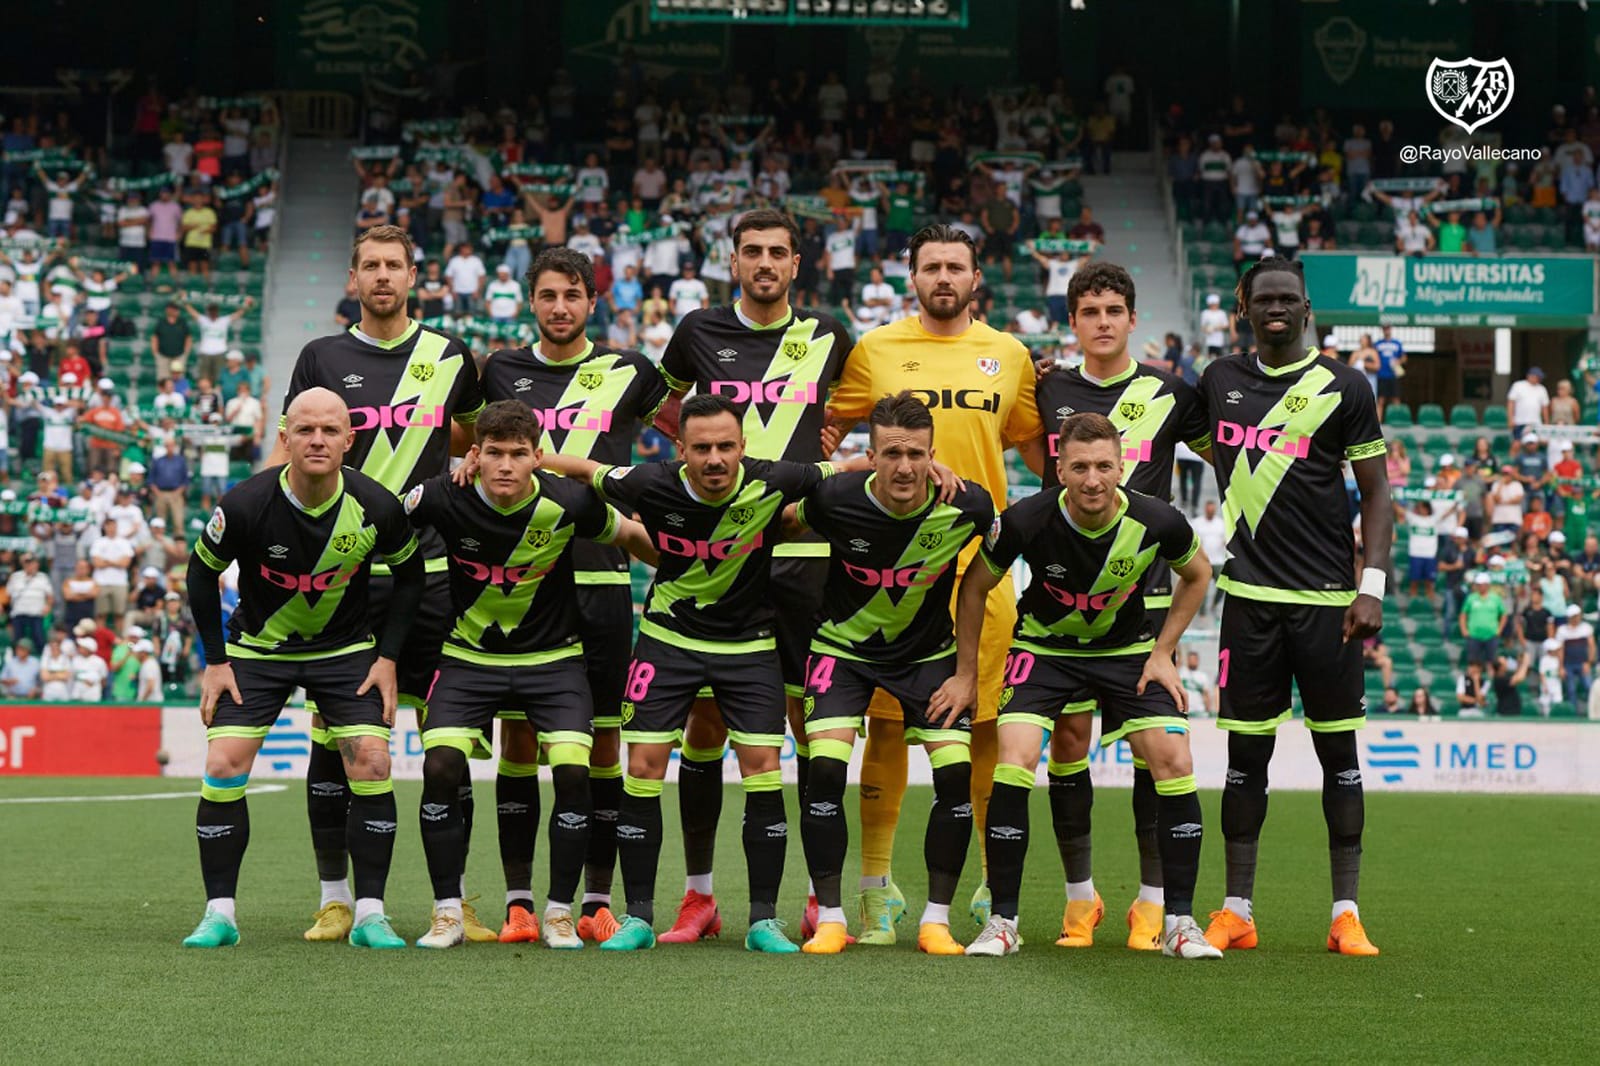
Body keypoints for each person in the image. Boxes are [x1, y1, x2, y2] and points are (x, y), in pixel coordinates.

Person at [542, 393, 849, 954]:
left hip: (749, 645)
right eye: (701, 448)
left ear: (743, 448)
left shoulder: (777, 478)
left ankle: (762, 921)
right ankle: (638, 917)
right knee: (643, 767)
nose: (714, 459)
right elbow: (585, 469)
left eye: (725, 447)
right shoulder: (648, 483)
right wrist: (523, 459)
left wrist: (917, 465)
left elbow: (849, 467)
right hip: (667, 641)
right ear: (679, 449)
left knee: (762, 770)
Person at [822, 222, 1048, 939]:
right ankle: (875, 888)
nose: (943, 277)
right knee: (886, 732)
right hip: (889, 568)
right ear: (911, 277)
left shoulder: (1009, 355)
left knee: (982, 724)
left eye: (956, 266)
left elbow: (1043, 455)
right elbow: (825, 431)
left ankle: (984, 886)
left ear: (975, 278)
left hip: (982, 564)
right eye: (930, 267)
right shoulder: (876, 350)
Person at [271, 224, 487, 943]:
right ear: (352, 277)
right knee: (334, 744)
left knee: (446, 748)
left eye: (395, 265)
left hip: (430, 574)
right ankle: (338, 899)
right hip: (342, 581)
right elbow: (292, 449)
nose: (384, 277)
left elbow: (473, 438)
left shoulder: (449, 354)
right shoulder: (322, 356)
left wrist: (461, 468)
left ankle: (452, 905)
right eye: (371, 266)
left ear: (413, 275)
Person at [651, 208, 853, 943]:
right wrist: (685, 447)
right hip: (719, 557)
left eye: (777, 252)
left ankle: (814, 896)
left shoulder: (829, 334)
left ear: (797, 264)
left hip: (801, 556)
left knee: (806, 729)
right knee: (704, 727)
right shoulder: (699, 331)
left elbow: (860, 402)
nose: (764, 262)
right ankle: (699, 896)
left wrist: (834, 430)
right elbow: (655, 400)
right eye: (751, 252)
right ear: (731, 260)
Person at [957, 412, 1218, 959]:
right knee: (1016, 757)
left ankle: (1180, 923)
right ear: (1060, 469)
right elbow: (975, 588)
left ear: (1122, 467)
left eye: (1104, 466)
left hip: (1126, 653)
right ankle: (1003, 921)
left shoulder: (1158, 520)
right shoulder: (1026, 519)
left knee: (1174, 758)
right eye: (1079, 467)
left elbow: (1198, 574)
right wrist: (964, 673)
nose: (1092, 479)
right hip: (1044, 651)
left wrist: (1164, 651)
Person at [474, 246, 672, 944]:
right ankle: (520, 903)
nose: (560, 306)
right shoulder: (498, 368)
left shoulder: (630, 372)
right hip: (522, 583)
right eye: (548, 294)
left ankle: (594, 902)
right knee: (521, 738)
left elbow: (691, 425)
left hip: (602, 579)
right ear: (531, 300)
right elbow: (468, 449)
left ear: (593, 302)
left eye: (573, 295)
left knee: (603, 745)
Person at [180, 387, 425, 949]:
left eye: (330, 431)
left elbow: (411, 578)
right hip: (258, 652)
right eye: (306, 430)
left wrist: (387, 658)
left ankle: (369, 914)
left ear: (349, 441)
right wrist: (216, 662)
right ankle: (220, 915)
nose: (318, 440)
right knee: (223, 762)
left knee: (371, 760)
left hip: (344, 654)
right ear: (285, 437)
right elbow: (199, 575)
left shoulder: (377, 505)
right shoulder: (244, 503)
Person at [403, 400, 651, 949]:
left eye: (519, 454)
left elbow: (633, 539)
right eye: (494, 453)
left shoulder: (570, 501)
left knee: (572, 771)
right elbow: (384, 526)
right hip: (467, 658)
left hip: (554, 661)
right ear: (476, 455)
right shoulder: (444, 495)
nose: (507, 466)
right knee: (440, 765)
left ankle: (560, 913)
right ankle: (447, 912)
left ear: (539, 457)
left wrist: (698, 562)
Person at [1198, 256, 1391, 957]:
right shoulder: (1219, 381)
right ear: (1242, 307)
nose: (1277, 308)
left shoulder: (1345, 386)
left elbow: (1375, 494)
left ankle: (1345, 915)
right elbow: (1169, 433)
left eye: (1289, 298)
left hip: (1330, 606)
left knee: (1339, 757)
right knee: (1244, 760)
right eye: (1263, 298)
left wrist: (1371, 586)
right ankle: (1237, 910)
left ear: (1306, 308)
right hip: (1248, 600)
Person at [1029, 260, 1212, 949]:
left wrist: (1166, 646)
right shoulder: (1049, 390)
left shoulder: (1173, 393)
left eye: (1113, 310)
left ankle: (1152, 902)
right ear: (1072, 321)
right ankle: (1081, 902)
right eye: (1089, 311)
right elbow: (1032, 459)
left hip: (1143, 605)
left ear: (1132, 318)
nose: (1102, 322)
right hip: (1064, 604)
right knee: (1068, 747)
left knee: (1152, 751)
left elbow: (1223, 455)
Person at [787, 392, 993, 956]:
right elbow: (779, 523)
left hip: (928, 658)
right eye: (892, 453)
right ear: (871, 455)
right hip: (841, 651)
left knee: (954, 778)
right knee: (824, 770)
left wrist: (968, 674)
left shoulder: (970, 508)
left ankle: (935, 922)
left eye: (917, 454)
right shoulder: (832, 498)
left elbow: (983, 579)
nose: (905, 467)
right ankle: (830, 918)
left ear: (934, 455)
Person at [1555, 604, 1595, 710]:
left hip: (1583, 663)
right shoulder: (1562, 630)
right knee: (1571, 689)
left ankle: (1592, 711)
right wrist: (1561, 667)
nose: (1576, 618)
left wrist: (1589, 662)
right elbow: (1560, 650)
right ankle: (1573, 712)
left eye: (1577, 615)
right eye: (1573, 616)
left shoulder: (1586, 628)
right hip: (1568, 664)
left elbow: (1591, 646)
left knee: (1589, 687)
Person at [1505, 366, 1550, 440]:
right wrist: (1510, 419)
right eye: (1537, 376)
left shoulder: (1542, 389)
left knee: (1534, 443)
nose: (1539, 379)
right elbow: (1511, 403)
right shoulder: (1518, 385)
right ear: (1529, 376)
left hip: (1536, 423)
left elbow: (1544, 407)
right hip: (1519, 422)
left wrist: (1546, 423)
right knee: (1517, 442)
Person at [1373, 325, 1405, 420]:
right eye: (1384, 328)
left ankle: (1397, 419)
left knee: (1396, 399)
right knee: (1381, 400)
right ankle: (1379, 422)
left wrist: (1398, 361)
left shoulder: (1397, 343)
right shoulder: (1378, 344)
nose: (1386, 330)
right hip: (1382, 375)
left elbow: (1403, 357)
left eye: (1388, 328)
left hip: (1393, 375)